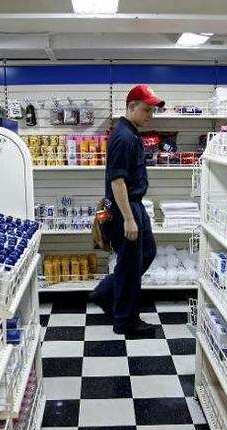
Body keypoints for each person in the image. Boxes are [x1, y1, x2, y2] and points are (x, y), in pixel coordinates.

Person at [89, 85, 164, 336]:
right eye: (146, 110)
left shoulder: (129, 133)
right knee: (131, 266)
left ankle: (105, 293)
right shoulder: (123, 137)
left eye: (152, 111)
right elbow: (117, 181)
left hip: (132, 205)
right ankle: (125, 321)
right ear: (131, 106)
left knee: (146, 254)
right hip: (125, 208)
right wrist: (129, 219)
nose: (149, 115)